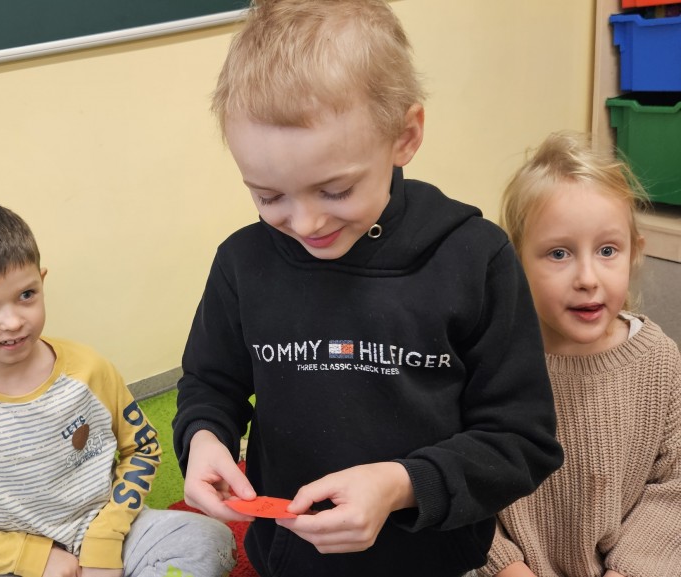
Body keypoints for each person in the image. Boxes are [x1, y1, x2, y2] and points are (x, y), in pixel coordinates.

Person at [170, 0, 565, 575]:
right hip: (290, 558)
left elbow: (521, 441)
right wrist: (205, 438)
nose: (306, 223)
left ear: (405, 136)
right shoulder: (241, 263)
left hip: (434, 560)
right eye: (269, 196)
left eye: (335, 191)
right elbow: (210, 384)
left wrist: (402, 484)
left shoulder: (476, 259)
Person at [0, 197, 236, 577]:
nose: (13, 321)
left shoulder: (89, 369)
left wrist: (105, 540)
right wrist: (38, 559)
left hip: (117, 532)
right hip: (27, 565)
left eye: (26, 295)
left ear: (41, 282)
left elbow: (141, 448)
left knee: (210, 541)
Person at [480, 132, 681, 577]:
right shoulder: (491, 359)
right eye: (559, 253)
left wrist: (631, 569)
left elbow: (674, 488)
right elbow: (464, 478)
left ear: (634, 253)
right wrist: (507, 566)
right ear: (515, 261)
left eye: (608, 251)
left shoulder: (660, 361)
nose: (588, 278)